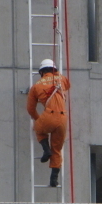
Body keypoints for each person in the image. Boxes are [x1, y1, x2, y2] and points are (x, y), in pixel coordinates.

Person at [27, 59, 70, 187]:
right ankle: (54, 179)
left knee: (38, 128)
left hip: (49, 115)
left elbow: (30, 109)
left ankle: (46, 150)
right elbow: (68, 85)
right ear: (54, 70)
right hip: (63, 118)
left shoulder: (36, 86)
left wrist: (39, 119)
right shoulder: (61, 79)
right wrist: (56, 76)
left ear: (41, 72)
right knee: (57, 149)